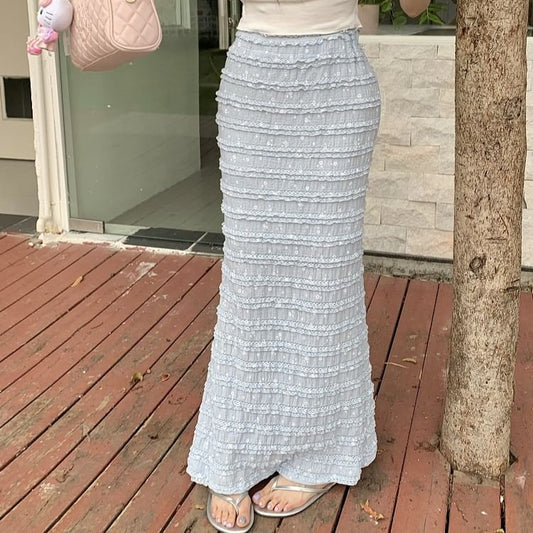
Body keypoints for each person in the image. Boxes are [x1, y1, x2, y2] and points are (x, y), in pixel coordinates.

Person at [186, 1, 381, 531]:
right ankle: (235, 444)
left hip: (337, 77)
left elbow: (412, 7)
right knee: (250, 279)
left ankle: (322, 450)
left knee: (326, 278)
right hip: (255, 78)